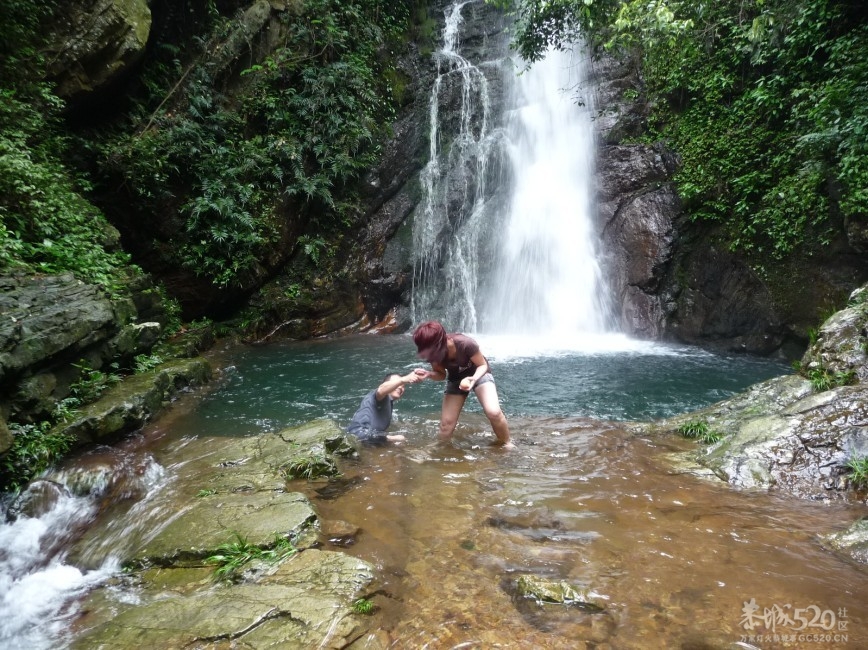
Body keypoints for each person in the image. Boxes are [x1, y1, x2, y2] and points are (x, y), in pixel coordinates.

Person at [411, 320, 513, 448]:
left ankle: (506, 443)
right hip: (456, 378)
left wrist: (473, 379)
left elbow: (482, 365)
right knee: (446, 424)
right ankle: (440, 450)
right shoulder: (433, 354)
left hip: (479, 373)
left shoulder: (466, 344)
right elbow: (441, 375)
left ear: (438, 341)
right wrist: (429, 374)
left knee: (494, 412)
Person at [347, 371, 422, 444]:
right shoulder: (380, 396)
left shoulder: (388, 400)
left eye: (403, 386)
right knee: (400, 439)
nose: (400, 387)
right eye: (397, 383)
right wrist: (403, 379)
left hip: (367, 437)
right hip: (358, 436)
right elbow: (381, 389)